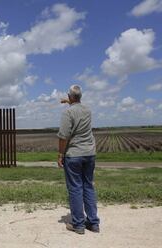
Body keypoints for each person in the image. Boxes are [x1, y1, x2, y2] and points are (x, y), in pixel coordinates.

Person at [57, 84, 100, 235]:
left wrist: (60, 154)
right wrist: (69, 101)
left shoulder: (67, 113)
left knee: (75, 188)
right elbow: (77, 107)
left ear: (70, 97)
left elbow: (63, 136)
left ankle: (78, 225)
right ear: (80, 97)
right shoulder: (87, 110)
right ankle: (93, 223)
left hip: (74, 154)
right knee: (88, 186)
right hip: (89, 153)